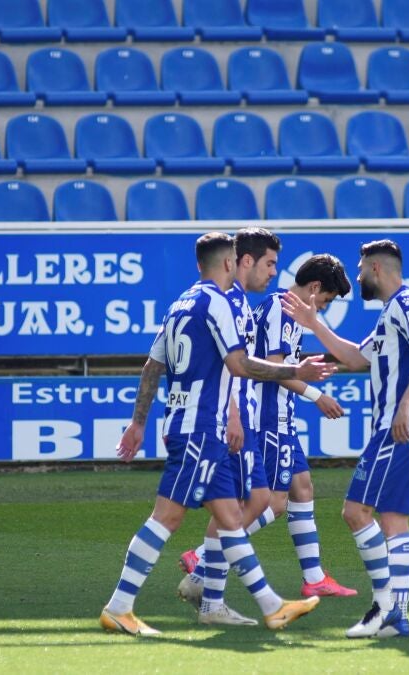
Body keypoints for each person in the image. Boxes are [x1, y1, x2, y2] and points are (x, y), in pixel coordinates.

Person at [100, 232, 337, 636]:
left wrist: (139, 422)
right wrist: (295, 372)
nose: (273, 272)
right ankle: (119, 607)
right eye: (269, 264)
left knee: (233, 517)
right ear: (230, 262)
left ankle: (261, 606)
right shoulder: (219, 302)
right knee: (168, 517)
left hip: (193, 424)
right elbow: (240, 364)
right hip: (201, 426)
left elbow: (153, 365)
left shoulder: (181, 303)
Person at [178, 253, 358, 607]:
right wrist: (316, 395)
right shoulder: (281, 309)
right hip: (268, 419)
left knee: (302, 488)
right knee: (273, 503)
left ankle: (314, 579)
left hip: (280, 418)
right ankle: (203, 555)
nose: (323, 307)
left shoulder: (281, 309)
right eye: (325, 299)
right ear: (314, 287)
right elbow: (276, 367)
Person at [283, 240, 409, 640]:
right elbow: (355, 358)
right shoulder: (390, 314)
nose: (357, 276)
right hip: (400, 425)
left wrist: (406, 403)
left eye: (360, 269)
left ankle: (386, 608)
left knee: (356, 512)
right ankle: (394, 615)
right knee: (392, 519)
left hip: (398, 426)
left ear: (376, 268)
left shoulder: (407, 303)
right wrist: (314, 323)